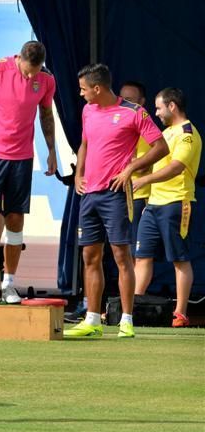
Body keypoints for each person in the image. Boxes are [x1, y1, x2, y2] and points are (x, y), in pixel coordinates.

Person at [65, 64, 167, 339]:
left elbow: (161, 147)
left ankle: (126, 319)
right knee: (90, 256)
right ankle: (92, 320)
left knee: (122, 256)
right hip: (89, 195)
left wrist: (130, 169)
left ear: (97, 89)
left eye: (84, 89)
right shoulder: (88, 110)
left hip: (116, 194)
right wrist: (79, 173)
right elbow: (85, 143)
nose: (81, 94)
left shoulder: (133, 112)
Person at [0, 41, 58, 304]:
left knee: (15, 219)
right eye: (28, 71)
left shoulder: (46, 80)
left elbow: (46, 115)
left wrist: (51, 150)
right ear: (20, 59)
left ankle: (9, 284)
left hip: (22, 158)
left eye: (35, 72)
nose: (31, 77)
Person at [133, 88, 201, 328]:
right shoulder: (166, 132)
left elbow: (176, 168)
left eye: (159, 107)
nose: (157, 112)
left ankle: (180, 313)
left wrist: (144, 181)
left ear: (172, 106)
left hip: (176, 203)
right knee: (141, 258)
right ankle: (133, 308)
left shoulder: (187, 134)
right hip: (153, 205)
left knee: (179, 259)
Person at [119, 80, 155, 257]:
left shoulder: (145, 129)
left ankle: (133, 286)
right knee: (120, 249)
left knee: (134, 251)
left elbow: (141, 168)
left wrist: (125, 157)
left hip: (138, 196)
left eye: (129, 99)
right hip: (120, 195)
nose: (123, 103)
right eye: (121, 98)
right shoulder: (118, 123)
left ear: (141, 103)